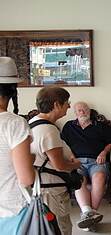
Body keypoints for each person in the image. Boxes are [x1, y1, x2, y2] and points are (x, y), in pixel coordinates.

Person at [30, 86, 81, 235]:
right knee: (61, 227)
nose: (69, 106)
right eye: (67, 102)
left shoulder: (33, 122)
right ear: (56, 104)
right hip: (53, 191)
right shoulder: (48, 130)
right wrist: (76, 164)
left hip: (41, 187)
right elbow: (60, 165)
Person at [61, 101, 111, 230]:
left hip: (96, 161)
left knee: (99, 177)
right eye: (79, 110)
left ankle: (89, 215)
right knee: (79, 180)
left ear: (89, 111)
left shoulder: (101, 126)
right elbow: (63, 144)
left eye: (85, 109)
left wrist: (104, 152)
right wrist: (71, 156)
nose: (82, 112)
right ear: (75, 113)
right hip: (77, 161)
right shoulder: (69, 126)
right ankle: (89, 215)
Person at [0, 57, 35, 233]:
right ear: (13, 90)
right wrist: (30, 158)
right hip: (10, 210)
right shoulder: (14, 123)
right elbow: (26, 178)